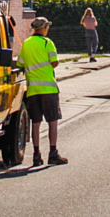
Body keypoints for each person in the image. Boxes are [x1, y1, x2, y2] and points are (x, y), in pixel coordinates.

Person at [17, 17, 67, 166]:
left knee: (36, 123)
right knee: (52, 122)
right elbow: (55, 62)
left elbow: (20, 63)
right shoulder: (47, 43)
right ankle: (53, 153)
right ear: (44, 28)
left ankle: (36, 155)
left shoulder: (26, 43)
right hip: (48, 89)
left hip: (33, 90)